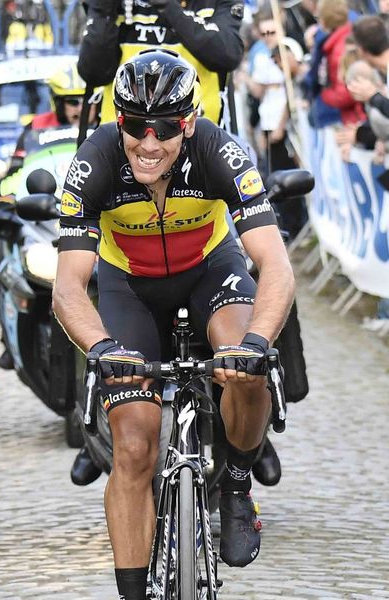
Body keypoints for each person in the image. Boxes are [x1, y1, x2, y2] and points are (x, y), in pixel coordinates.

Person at [52, 50, 294, 600]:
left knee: (245, 367)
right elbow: (68, 287)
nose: (149, 142)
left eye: (164, 127)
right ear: (119, 121)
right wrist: (102, 347)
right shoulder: (94, 162)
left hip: (210, 272)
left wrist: (257, 341)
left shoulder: (218, 150)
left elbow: (276, 265)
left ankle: (236, 484)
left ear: (188, 123)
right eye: (136, 125)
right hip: (130, 288)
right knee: (134, 446)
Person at [78, 0, 244, 128]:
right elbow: (94, 73)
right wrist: (102, 11)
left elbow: (227, 55)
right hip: (124, 138)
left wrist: (168, 7)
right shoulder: (119, 5)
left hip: (195, 139)